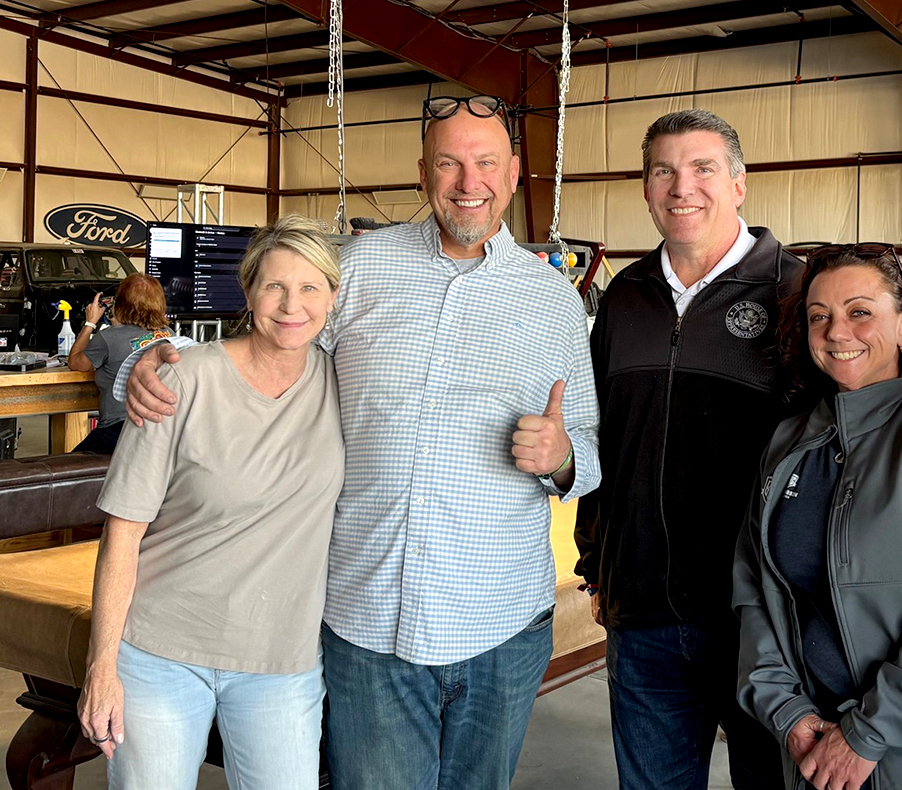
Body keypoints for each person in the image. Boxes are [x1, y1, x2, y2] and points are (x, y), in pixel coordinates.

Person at [120, 96, 601, 790]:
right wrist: (166, 361)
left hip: (499, 625)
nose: (469, 180)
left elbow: (587, 446)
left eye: (486, 162)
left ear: (516, 172)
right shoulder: (361, 270)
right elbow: (273, 348)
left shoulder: (553, 301)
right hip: (367, 625)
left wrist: (560, 458)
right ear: (422, 172)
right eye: (449, 162)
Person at [573, 108, 801, 790]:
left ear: (738, 185)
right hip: (642, 608)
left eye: (702, 169)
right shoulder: (623, 299)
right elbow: (598, 431)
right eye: (663, 171)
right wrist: (596, 559)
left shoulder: (795, 291)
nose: (682, 187)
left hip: (760, 619)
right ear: (645, 189)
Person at [76, 215, 343, 789]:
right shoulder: (182, 379)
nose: (291, 303)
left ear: (332, 297)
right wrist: (102, 667)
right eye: (274, 285)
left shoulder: (347, 384)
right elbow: (122, 532)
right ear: (247, 292)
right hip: (160, 653)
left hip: (281, 664)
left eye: (309, 287)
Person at [734, 244, 902, 790]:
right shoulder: (789, 441)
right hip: (809, 752)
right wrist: (789, 715)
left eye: (859, 312)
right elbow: (754, 591)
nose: (836, 332)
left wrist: (868, 734)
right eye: (818, 316)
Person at [66, 274, 171, 454]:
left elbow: (75, 363)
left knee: (69, 468)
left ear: (119, 304)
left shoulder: (108, 338)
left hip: (117, 432)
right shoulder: (168, 334)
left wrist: (90, 322)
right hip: (158, 430)